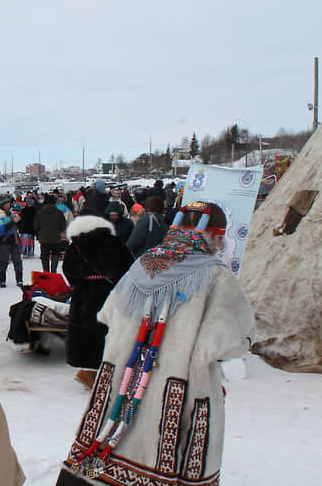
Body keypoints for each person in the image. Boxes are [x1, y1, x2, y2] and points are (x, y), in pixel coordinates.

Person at [57, 202, 255, 486]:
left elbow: (107, 314)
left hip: (121, 385)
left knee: (105, 454)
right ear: (215, 236)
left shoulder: (143, 266)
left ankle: (91, 478)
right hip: (175, 392)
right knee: (159, 455)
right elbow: (233, 341)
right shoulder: (216, 277)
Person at [62, 215, 133, 389]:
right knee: (110, 331)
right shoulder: (113, 242)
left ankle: (89, 372)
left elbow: (68, 270)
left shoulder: (75, 245)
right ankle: (103, 373)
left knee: (87, 333)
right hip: (110, 294)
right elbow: (128, 267)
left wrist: (83, 281)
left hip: (83, 296)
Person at [35, 194, 68, 273]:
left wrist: (40, 232)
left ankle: (46, 272)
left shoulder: (40, 213)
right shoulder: (59, 213)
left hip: (44, 238)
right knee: (56, 254)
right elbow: (63, 226)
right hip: (56, 237)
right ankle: (53, 271)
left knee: (44, 256)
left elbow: (36, 226)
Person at [0, 196, 23, 288]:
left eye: (9, 204)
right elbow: (1, 230)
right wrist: (13, 221)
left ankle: (19, 280)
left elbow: (12, 226)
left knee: (17, 260)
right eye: (6, 204)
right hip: (4, 241)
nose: (9, 206)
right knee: (4, 261)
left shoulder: (10, 213)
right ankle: (2, 280)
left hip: (14, 239)